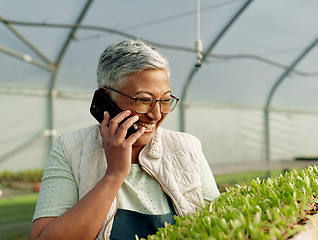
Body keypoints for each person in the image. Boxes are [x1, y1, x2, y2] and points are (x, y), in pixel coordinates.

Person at [30, 39, 220, 240]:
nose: (156, 115)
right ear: (106, 97)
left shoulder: (187, 147)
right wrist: (114, 174)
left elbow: (220, 222)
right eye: (144, 100)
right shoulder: (71, 148)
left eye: (165, 101)